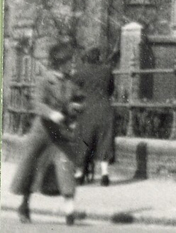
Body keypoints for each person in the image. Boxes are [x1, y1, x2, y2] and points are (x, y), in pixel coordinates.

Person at [10, 42, 84, 224]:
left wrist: (74, 108)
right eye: (69, 61)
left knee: (65, 168)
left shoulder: (69, 82)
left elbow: (74, 102)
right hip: (41, 134)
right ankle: (24, 205)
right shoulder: (44, 80)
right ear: (60, 62)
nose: (72, 64)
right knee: (31, 170)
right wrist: (51, 113)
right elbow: (37, 103)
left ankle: (69, 212)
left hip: (60, 134)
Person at [73, 46, 115, 186]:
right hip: (104, 109)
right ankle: (104, 174)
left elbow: (73, 91)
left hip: (87, 110)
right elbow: (110, 89)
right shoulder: (107, 71)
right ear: (98, 57)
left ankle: (79, 175)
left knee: (83, 140)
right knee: (105, 141)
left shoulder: (80, 72)